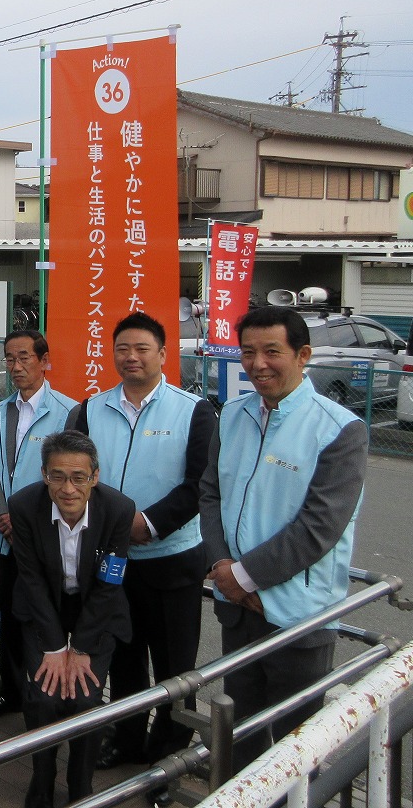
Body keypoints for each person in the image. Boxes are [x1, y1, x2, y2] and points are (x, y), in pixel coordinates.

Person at [199, 305, 366, 770]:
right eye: (247, 352)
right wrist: (223, 567)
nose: (258, 364)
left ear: (303, 355)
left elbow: (319, 527)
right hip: (238, 609)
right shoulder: (232, 414)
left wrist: (242, 577)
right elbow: (210, 494)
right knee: (242, 731)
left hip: (298, 614)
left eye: (272, 352)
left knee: (298, 745)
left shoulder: (340, 429)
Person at [67, 312, 217, 775]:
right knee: (124, 659)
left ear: (163, 354)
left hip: (172, 560)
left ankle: (170, 752)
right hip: (113, 561)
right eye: (122, 349)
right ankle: (128, 738)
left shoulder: (194, 410)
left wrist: (148, 524)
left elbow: (200, 483)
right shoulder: (91, 410)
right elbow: (77, 475)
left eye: (142, 349)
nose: (131, 357)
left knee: (175, 666)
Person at [10, 430, 134, 808]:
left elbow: (110, 583)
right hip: (42, 607)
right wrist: (53, 646)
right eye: (58, 476)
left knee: (85, 700)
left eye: (79, 477)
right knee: (44, 698)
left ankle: (81, 786)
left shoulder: (119, 510)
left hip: (95, 610)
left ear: (95, 477)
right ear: (44, 475)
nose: (68, 488)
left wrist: (79, 647)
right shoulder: (23, 506)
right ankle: (42, 780)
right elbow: (30, 578)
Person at [0, 329, 79, 720]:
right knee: (11, 614)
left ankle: (51, 698)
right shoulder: (2, 410)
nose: (16, 366)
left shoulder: (68, 411)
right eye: (10, 358)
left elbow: (69, 477)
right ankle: (13, 692)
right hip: (7, 538)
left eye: (24, 357)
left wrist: (24, 519)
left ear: (44, 361)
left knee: (47, 618)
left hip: (46, 539)